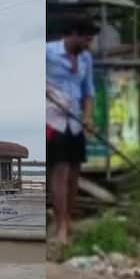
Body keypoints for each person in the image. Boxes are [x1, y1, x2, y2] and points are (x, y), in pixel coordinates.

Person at [46, 15, 99, 245]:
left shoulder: (86, 58)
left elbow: (89, 92)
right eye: (86, 40)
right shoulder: (46, 52)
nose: (89, 45)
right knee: (60, 173)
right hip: (53, 121)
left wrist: (87, 117)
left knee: (74, 174)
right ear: (73, 35)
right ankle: (60, 228)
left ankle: (69, 220)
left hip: (76, 121)